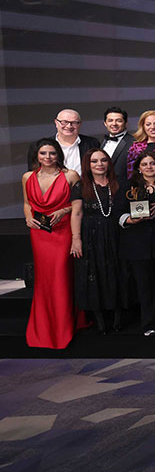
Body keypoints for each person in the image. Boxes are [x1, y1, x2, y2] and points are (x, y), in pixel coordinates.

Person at [24, 138, 81, 349]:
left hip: (63, 232)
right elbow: (26, 203)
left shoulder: (70, 175)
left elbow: (81, 203)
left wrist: (64, 210)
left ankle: (63, 327)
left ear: (58, 155)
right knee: (44, 279)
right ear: (37, 156)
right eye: (43, 153)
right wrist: (27, 218)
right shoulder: (27, 177)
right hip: (39, 233)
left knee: (60, 277)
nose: (47, 157)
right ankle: (43, 328)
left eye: (52, 153)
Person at [71, 148, 129, 333]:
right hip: (91, 236)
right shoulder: (80, 186)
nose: (99, 164)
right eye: (94, 161)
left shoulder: (120, 183)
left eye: (103, 160)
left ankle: (118, 318)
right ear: (87, 165)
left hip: (116, 234)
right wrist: (76, 239)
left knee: (117, 272)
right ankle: (100, 321)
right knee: (94, 274)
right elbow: (76, 213)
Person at [120, 151, 155, 337]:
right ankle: (149, 323)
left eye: (152, 163)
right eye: (144, 164)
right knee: (144, 285)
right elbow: (118, 212)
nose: (149, 167)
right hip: (138, 243)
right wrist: (130, 220)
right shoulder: (129, 186)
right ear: (138, 168)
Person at [27, 108, 100, 172]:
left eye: (74, 123)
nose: (69, 126)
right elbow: (33, 173)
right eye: (64, 122)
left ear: (80, 124)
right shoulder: (39, 146)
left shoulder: (92, 143)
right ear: (56, 123)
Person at [101, 107, 131, 187]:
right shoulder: (102, 143)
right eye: (110, 120)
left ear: (126, 123)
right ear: (105, 123)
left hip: (125, 189)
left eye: (119, 121)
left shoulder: (134, 143)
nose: (114, 124)